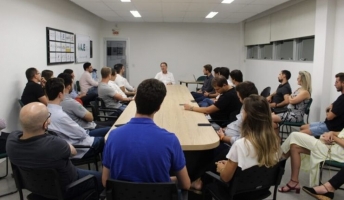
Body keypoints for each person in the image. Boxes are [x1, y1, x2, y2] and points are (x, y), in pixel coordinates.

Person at [102, 79, 191, 192]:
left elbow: (105, 181)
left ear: (135, 100)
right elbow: (186, 185)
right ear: (158, 107)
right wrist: (170, 180)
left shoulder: (113, 136)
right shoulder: (170, 140)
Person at [6, 102, 103, 199]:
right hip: (69, 186)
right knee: (103, 179)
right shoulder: (55, 144)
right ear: (45, 124)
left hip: (36, 187)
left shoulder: (11, 141)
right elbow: (73, 152)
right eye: (48, 116)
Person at [211, 95, 280, 193]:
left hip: (236, 192)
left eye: (243, 111)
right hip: (260, 190)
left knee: (210, 168)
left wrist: (222, 169)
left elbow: (225, 178)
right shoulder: (274, 142)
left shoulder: (240, 145)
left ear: (247, 116)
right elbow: (255, 166)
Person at [46, 78, 104, 159]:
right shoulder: (61, 115)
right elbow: (82, 134)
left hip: (65, 145)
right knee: (107, 139)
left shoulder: (45, 111)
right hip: (80, 148)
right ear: (60, 94)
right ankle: (108, 170)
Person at [279, 129, 344, 192]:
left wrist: (334, 138)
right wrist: (331, 133)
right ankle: (293, 181)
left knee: (294, 135)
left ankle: (276, 164)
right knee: (294, 147)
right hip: (334, 144)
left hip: (337, 151)